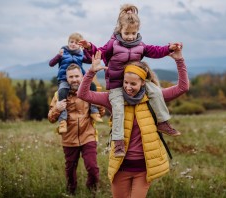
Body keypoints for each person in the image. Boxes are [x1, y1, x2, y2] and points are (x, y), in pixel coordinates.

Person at [77, 46, 188, 197]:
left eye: (133, 84)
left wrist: (179, 60)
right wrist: (91, 72)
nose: (128, 87)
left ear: (143, 82)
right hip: (120, 166)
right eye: (125, 82)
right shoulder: (113, 98)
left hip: (143, 169)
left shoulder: (154, 97)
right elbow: (83, 94)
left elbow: (183, 87)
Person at [79, 3, 182, 158]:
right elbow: (99, 52)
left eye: (134, 33)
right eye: (127, 33)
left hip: (136, 80)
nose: (130, 36)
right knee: (118, 109)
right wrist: (88, 47)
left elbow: (155, 51)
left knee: (154, 91)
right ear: (120, 30)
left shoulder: (140, 45)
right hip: (116, 85)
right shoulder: (113, 44)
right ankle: (118, 141)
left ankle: (162, 122)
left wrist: (169, 48)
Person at [48, 64, 106, 196]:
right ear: (67, 78)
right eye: (71, 77)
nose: (74, 79)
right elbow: (51, 118)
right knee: (70, 169)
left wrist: (99, 105)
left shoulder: (90, 91)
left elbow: (100, 113)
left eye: (76, 76)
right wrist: (57, 108)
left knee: (92, 168)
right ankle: (71, 191)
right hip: (69, 139)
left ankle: (92, 190)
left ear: (82, 76)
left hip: (88, 136)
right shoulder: (59, 94)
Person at [49, 32, 103, 134]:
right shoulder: (63, 52)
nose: (73, 44)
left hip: (79, 79)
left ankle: (94, 111)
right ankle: (63, 121)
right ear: (68, 42)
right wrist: (58, 56)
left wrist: (86, 50)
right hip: (64, 79)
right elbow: (51, 63)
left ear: (80, 45)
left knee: (92, 86)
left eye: (76, 42)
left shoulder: (80, 54)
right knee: (62, 94)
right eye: (71, 41)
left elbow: (89, 60)